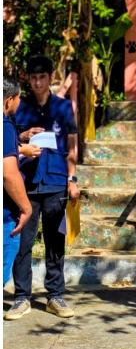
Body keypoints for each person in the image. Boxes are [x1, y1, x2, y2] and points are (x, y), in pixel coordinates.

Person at [5, 56, 79, 320]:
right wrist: (24, 137)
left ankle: (55, 295)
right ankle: (22, 297)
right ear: (28, 79)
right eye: (33, 78)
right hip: (24, 184)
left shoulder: (63, 107)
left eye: (42, 77)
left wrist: (73, 179)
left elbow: (72, 143)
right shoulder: (18, 108)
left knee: (55, 241)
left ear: (50, 78)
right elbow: (9, 139)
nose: (37, 82)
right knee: (22, 242)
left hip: (56, 181)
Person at [3, 78, 34, 287]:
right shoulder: (4, 126)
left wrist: (18, 141)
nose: (20, 102)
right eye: (18, 97)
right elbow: (8, 173)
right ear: (9, 100)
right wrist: (26, 208)